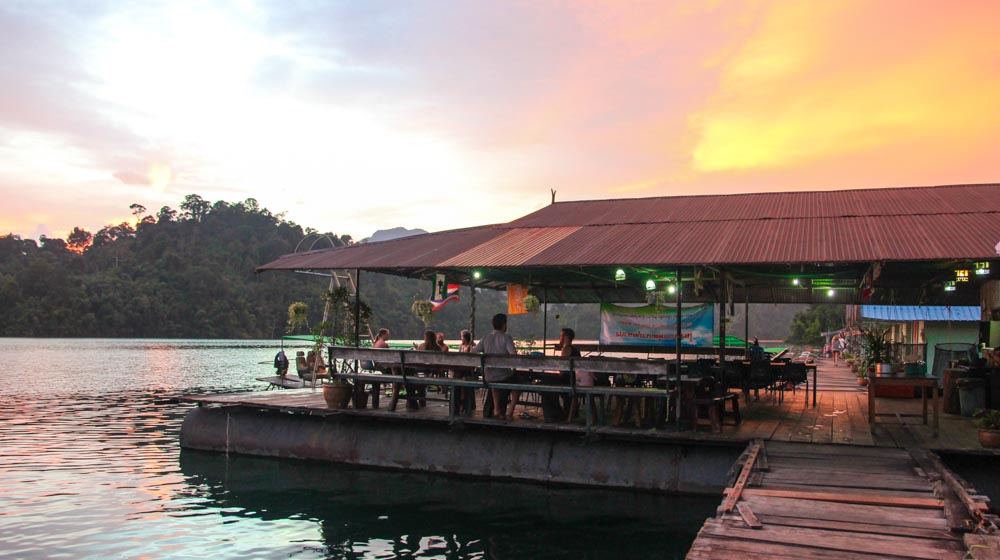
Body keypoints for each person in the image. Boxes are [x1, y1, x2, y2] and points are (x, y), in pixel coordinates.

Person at [474, 313, 519, 421]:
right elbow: (514, 355)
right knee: (518, 383)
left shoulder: (485, 338)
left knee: (495, 384)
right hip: (503, 376)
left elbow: (474, 351)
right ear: (504, 325)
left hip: (488, 376)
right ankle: (510, 411)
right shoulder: (506, 338)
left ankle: (497, 409)